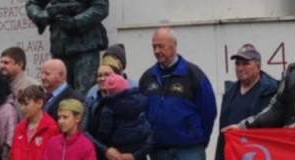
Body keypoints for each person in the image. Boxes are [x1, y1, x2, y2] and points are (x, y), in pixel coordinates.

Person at [139, 27, 216, 160]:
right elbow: (141, 112)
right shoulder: (148, 77)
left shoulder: (193, 74)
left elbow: (209, 111)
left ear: (174, 45)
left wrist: (199, 138)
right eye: (154, 47)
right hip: (158, 151)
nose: (156, 51)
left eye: (161, 46)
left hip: (189, 150)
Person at [214, 45, 277, 160]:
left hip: (259, 153)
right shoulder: (229, 93)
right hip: (233, 154)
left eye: (245, 63)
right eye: (237, 64)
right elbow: (223, 132)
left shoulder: (271, 90)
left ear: (258, 66)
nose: (240, 68)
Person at [86, 74, 151, 160]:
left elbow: (104, 134)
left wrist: (103, 148)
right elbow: (149, 133)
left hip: (115, 154)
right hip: (137, 153)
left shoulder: (108, 108)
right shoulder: (139, 104)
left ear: (108, 91)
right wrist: (135, 155)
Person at [11, 86, 57, 160]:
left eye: (26, 104)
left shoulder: (51, 128)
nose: (22, 108)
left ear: (39, 103)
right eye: (21, 104)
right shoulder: (19, 128)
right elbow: (13, 154)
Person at [83, 45, 131, 118]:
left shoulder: (133, 88)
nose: (102, 78)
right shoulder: (92, 92)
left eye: (107, 75)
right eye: (100, 75)